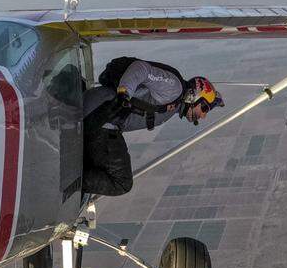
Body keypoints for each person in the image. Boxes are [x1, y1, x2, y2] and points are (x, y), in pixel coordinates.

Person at [82, 57, 223, 196]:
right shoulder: (174, 87)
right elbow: (141, 68)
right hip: (101, 115)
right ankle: (67, 185)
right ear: (194, 95)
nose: (203, 115)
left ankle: (71, 178)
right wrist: (124, 94)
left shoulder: (174, 103)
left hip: (100, 116)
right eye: (204, 108)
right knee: (121, 182)